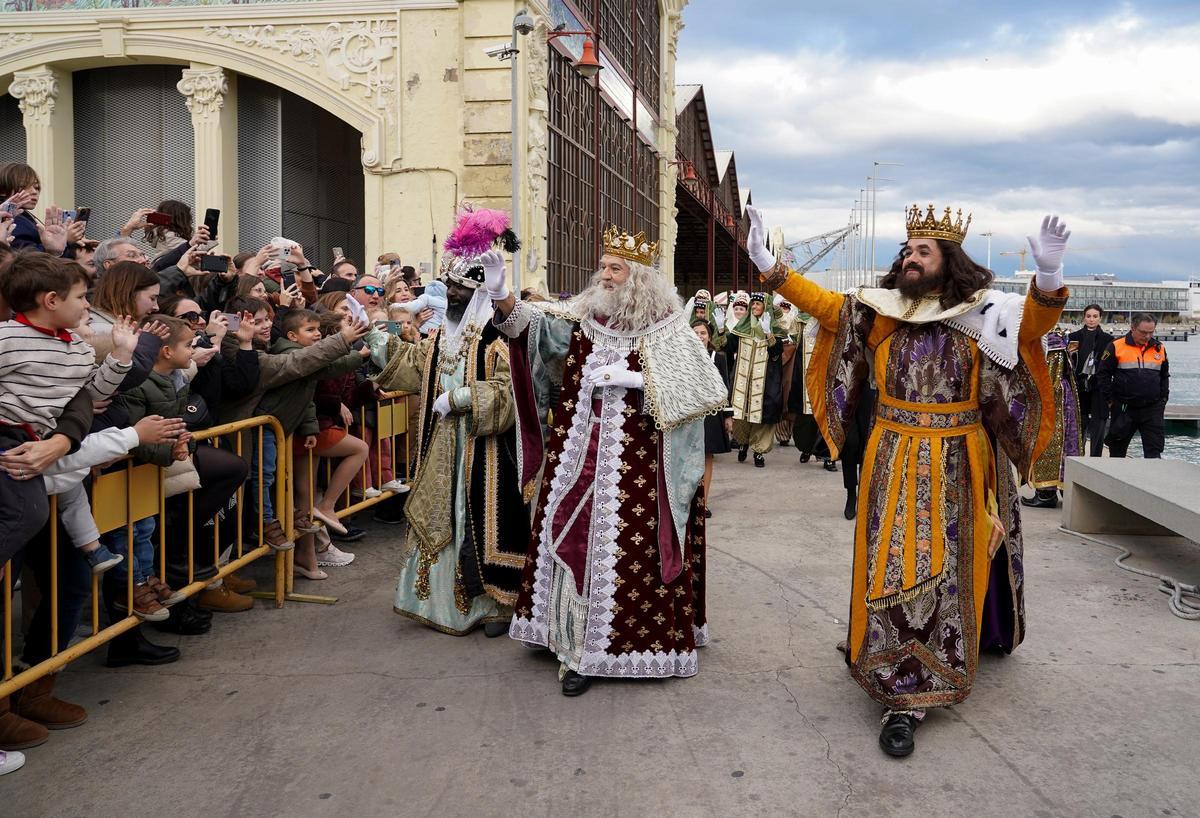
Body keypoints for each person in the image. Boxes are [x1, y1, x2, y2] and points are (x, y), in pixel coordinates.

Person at [747, 203, 1071, 757]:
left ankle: (913, 692)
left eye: (924, 251)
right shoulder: (883, 312)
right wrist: (768, 265)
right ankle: (880, 652)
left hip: (957, 458)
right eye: (909, 250)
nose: (912, 258)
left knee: (943, 567)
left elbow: (1034, 327)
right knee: (888, 560)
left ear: (950, 260)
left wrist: (1049, 274)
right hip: (891, 452)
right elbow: (823, 306)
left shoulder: (985, 312)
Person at [493, 224, 728, 696]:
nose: (604, 275)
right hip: (578, 453)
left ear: (637, 277)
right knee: (565, 532)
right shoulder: (586, 315)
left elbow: (706, 388)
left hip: (638, 467)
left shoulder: (666, 325)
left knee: (622, 552)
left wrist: (640, 381)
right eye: (603, 266)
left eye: (615, 268)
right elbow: (535, 331)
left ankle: (601, 651)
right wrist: (501, 295)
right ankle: (567, 636)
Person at [374, 207, 529, 636]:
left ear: (478, 289)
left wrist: (461, 398)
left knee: (479, 520)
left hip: (484, 449)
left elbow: (511, 392)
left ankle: (494, 604)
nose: (451, 294)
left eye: (459, 287)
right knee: (442, 514)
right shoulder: (445, 332)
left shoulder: (498, 333)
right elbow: (420, 366)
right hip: (442, 444)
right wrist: (375, 341)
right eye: (449, 285)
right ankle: (438, 600)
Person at [1022, 330, 1083, 508]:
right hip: (1055, 396)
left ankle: (1046, 493)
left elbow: (1049, 375)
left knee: (1049, 440)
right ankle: (1056, 490)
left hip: (1051, 398)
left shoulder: (1051, 341)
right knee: (1056, 441)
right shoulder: (1052, 337)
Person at [1097, 313, 1169, 459]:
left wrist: (1163, 399)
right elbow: (1103, 375)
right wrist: (1110, 400)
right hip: (1124, 408)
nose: (1147, 336)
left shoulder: (1159, 348)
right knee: (1117, 451)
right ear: (1133, 328)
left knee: (1154, 452)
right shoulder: (1116, 346)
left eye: (1151, 332)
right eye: (1143, 332)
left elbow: (1164, 376)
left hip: (1152, 409)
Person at [729, 292, 784, 467]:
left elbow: (776, 354)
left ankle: (759, 452)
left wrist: (768, 333)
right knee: (741, 415)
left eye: (758, 304)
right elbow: (728, 346)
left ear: (765, 307)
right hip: (743, 379)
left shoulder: (774, 329)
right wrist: (721, 329)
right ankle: (743, 442)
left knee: (764, 415)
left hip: (766, 380)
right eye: (753, 304)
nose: (754, 307)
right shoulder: (742, 327)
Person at [692, 318, 733, 518]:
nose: (700, 337)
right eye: (696, 333)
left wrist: (728, 415)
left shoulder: (718, 357)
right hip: (689, 413)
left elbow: (725, 386)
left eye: (703, 333)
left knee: (707, 456)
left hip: (711, 414)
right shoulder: (680, 355)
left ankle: (703, 502)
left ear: (709, 337)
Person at [1068, 304, 1114, 456]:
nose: (1091, 319)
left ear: (1100, 318)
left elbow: (1110, 365)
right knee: (1079, 421)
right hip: (1079, 384)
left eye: (1095, 316)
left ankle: (1096, 456)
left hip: (1098, 385)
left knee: (1099, 422)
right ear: (1084, 317)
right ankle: (1077, 454)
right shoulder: (1074, 337)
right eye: (1088, 316)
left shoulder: (1108, 339)